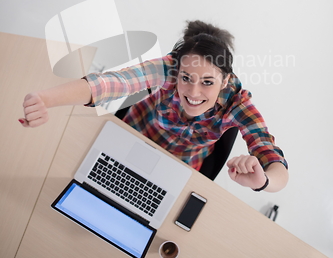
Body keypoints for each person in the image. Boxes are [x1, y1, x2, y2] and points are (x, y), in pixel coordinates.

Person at [19, 20, 288, 192]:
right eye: (186, 78)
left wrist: (263, 181)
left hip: (175, 169)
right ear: (177, 67)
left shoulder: (237, 101)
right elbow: (111, 84)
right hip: (128, 138)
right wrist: (45, 100)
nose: (193, 92)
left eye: (207, 82)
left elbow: (272, 158)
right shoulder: (167, 67)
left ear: (225, 80)